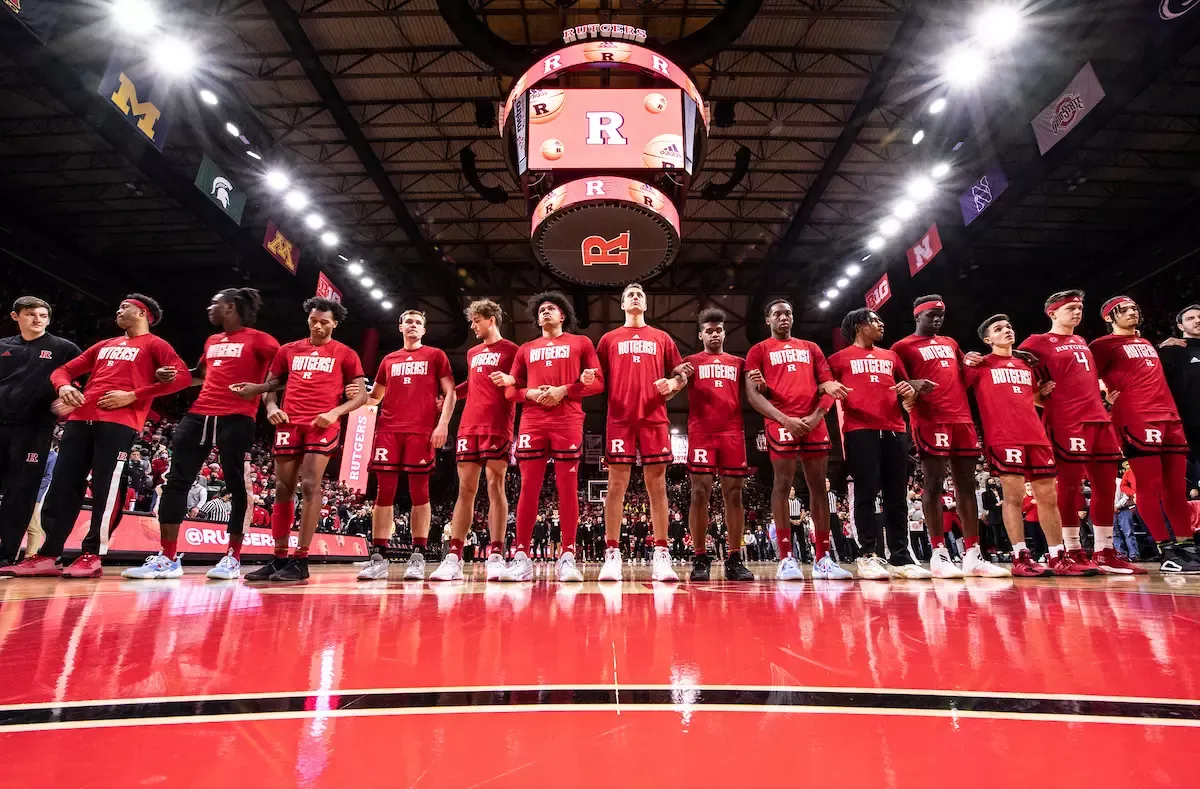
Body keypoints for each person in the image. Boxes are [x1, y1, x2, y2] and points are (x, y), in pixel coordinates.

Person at [2, 294, 191, 578]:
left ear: (142, 313)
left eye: (124, 307)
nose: (118, 310)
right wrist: (64, 387)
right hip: (79, 419)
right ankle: (49, 553)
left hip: (119, 422)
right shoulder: (105, 345)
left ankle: (92, 554)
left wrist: (133, 395)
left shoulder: (156, 344)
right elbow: (63, 370)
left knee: (106, 489)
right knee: (62, 486)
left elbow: (182, 378)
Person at [126, 288, 280, 581]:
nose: (210, 308)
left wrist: (260, 391)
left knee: (236, 487)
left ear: (231, 307)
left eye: (215, 303)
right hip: (199, 414)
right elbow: (199, 373)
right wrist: (168, 375)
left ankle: (232, 558)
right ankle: (168, 558)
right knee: (175, 483)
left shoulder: (260, 339)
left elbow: (284, 373)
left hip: (237, 417)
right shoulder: (212, 340)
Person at [233, 297, 367, 582]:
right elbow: (271, 385)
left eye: (324, 322)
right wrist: (270, 407)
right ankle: (278, 557)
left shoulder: (346, 354)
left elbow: (362, 396)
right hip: (289, 422)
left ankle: (301, 559)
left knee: (309, 485)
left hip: (321, 425)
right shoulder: (288, 350)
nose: (318, 326)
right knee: (282, 488)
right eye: (313, 320)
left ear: (335, 324)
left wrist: (334, 413)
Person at [964, 314, 1097, 577]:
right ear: (987, 339)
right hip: (1004, 437)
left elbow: (1036, 399)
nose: (1007, 331)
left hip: (1036, 436)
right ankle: (1020, 556)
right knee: (1013, 498)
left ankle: (1058, 555)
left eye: (1009, 326)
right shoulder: (980, 365)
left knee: (1049, 498)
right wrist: (965, 358)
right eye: (999, 329)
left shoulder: (1026, 365)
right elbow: (954, 385)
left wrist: (1045, 392)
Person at [1018, 290, 1136, 574]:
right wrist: (1038, 396)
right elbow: (1016, 372)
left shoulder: (1082, 341)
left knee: (1107, 486)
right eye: (1070, 308)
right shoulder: (1036, 342)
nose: (1077, 312)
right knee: (1069, 487)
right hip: (1066, 420)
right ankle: (1071, 550)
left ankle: (1104, 550)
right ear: (1052, 313)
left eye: (1080, 307)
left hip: (1099, 418)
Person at [892, 295, 1011, 578]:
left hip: (962, 419)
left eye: (941, 315)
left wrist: (972, 363)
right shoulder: (902, 347)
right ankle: (938, 553)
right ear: (917, 316)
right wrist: (910, 385)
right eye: (931, 314)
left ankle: (973, 553)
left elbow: (963, 378)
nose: (937, 319)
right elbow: (893, 383)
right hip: (931, 419)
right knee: (933, 484)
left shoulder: (950, 343)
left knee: (966, 487)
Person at [493, 291, 603, 582]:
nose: (545, 312)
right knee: (528, 486)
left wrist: (564, 390)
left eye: (551, 308)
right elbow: (509, 390)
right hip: (532, 421)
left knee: (568, 487)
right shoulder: (526, 348)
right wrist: (529, 393)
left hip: (568, 420)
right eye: (541, 309)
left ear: (563, 315)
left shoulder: (581, 343)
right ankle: (521, 556)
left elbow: (598, 383)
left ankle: (567, 555)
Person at [1091, 296, 1200, 573]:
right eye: (1124, 310)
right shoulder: (1102, 345)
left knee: (1176, 489)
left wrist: (1164, 346)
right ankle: (1167, 551)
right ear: (1108, 317)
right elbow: (1085, 377)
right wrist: (1104, 401)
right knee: (1149, 488)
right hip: (1137, 418)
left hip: (1170, 416)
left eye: (1135, 309)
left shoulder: (1147, 342)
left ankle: (1187, 548)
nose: (1132, 312)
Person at [745, 298, 851, 581]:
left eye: (788, 313)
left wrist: (818, 416)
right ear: (768, 320)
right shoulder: (758, 350)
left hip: (812, 420)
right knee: (782, 484)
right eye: (778, 314)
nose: (784, 318)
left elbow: (829, 386)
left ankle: (822, 559)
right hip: (782, 421)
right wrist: (784, 419)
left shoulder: (811, 348)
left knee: (819, 488)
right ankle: (785, 558)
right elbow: (753, 395)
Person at [595, 283, 688, 583]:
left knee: (657, 486)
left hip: (654, 417)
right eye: (629, 295)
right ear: (622, 305)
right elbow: (596, 379)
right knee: (615, 486)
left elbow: (681, 373)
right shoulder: (608, 339)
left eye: (640, 295)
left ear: (645, 304)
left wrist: (673, 385)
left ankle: (661, 554)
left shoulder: (661, 337)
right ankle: (612, 554)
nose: (635, 297)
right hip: (620, 418)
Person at [828, 309, 931, 580]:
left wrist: (910, 390)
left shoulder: (891, 356)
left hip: (895, 429)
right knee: (866, 494)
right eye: (875, 321)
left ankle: (900, 557)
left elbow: (908, 391)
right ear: (860, 325)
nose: (881, 324)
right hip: (860, 430)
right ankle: (867, 555)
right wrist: (826, 387)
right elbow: (821, 386)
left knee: (897, 496)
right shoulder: (838, 359)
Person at [357, 309, 455, 581]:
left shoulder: (436, 356)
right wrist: (352, 395)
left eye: (418, 322)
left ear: (424, 330)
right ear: (400, 327)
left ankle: (418, 555)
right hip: (388, 431)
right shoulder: (389, 359)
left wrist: (442, 424)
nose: (413, 325)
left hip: (420, 431)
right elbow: (374, 397)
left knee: (419, 493)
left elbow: (451, 392)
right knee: (383, 494)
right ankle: (378, 557)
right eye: (409, 322)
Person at [430, 300, 518, 581]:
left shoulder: (513, 351)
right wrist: (450, 394)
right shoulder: (472, 353)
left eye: (476, 320)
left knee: (495, 486)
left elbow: (521, 381)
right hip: (468, 425)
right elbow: (472, 383)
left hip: (497, 424)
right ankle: (454, 556)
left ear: (490, 320)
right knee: (465, 490)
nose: (472, 326)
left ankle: (495, 554)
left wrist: (511, 379)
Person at [0, 296, 81, 566]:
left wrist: (72, 397)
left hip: (35, 428)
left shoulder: (64, 348)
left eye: (43, 315)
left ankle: (6, 553)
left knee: (20, 493)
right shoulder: (2, 346)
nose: (37, 319)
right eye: (30, 314)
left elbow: (90, 378)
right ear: (16, 317)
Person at [680, 308, 754, 581]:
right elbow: (675, 383)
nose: (714, 334)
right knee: (699, 494)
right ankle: (700, 558)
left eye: (718, 330)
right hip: (701, 433)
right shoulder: (691, 362)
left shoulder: (739, 362)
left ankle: (735, 558)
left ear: (724, 332)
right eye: (709, 330)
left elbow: (756, 394)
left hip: (733, 433)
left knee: (734, 496)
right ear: (700, 335)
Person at [1158, 303, 1200, 486]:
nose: (1197, 321)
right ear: (1181, 327)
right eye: (1190, 319)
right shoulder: (1172, 351)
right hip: (1193, 428)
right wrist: (1158, 346)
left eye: (1199, 317)